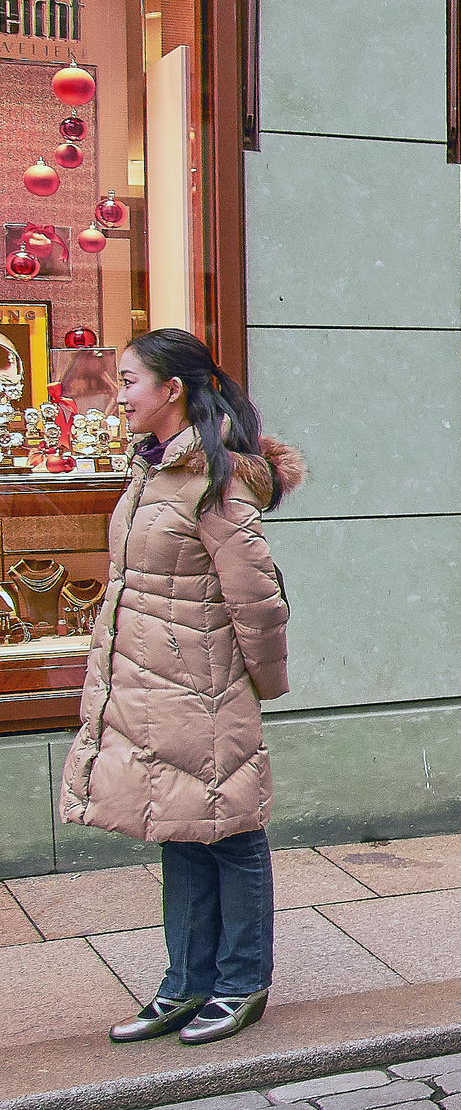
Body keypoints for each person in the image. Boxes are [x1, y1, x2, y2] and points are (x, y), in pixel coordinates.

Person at [58, 330, 300, 1047]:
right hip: (147, 685)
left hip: (203, 686)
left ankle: (241, 982)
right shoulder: (152, 470)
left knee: (231, 832)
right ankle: (185, 984)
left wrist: (257, 686)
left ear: (171, 390)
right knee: (180, 828)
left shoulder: (213, 480)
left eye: (130, 380)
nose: (119, 392)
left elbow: (257, 598)